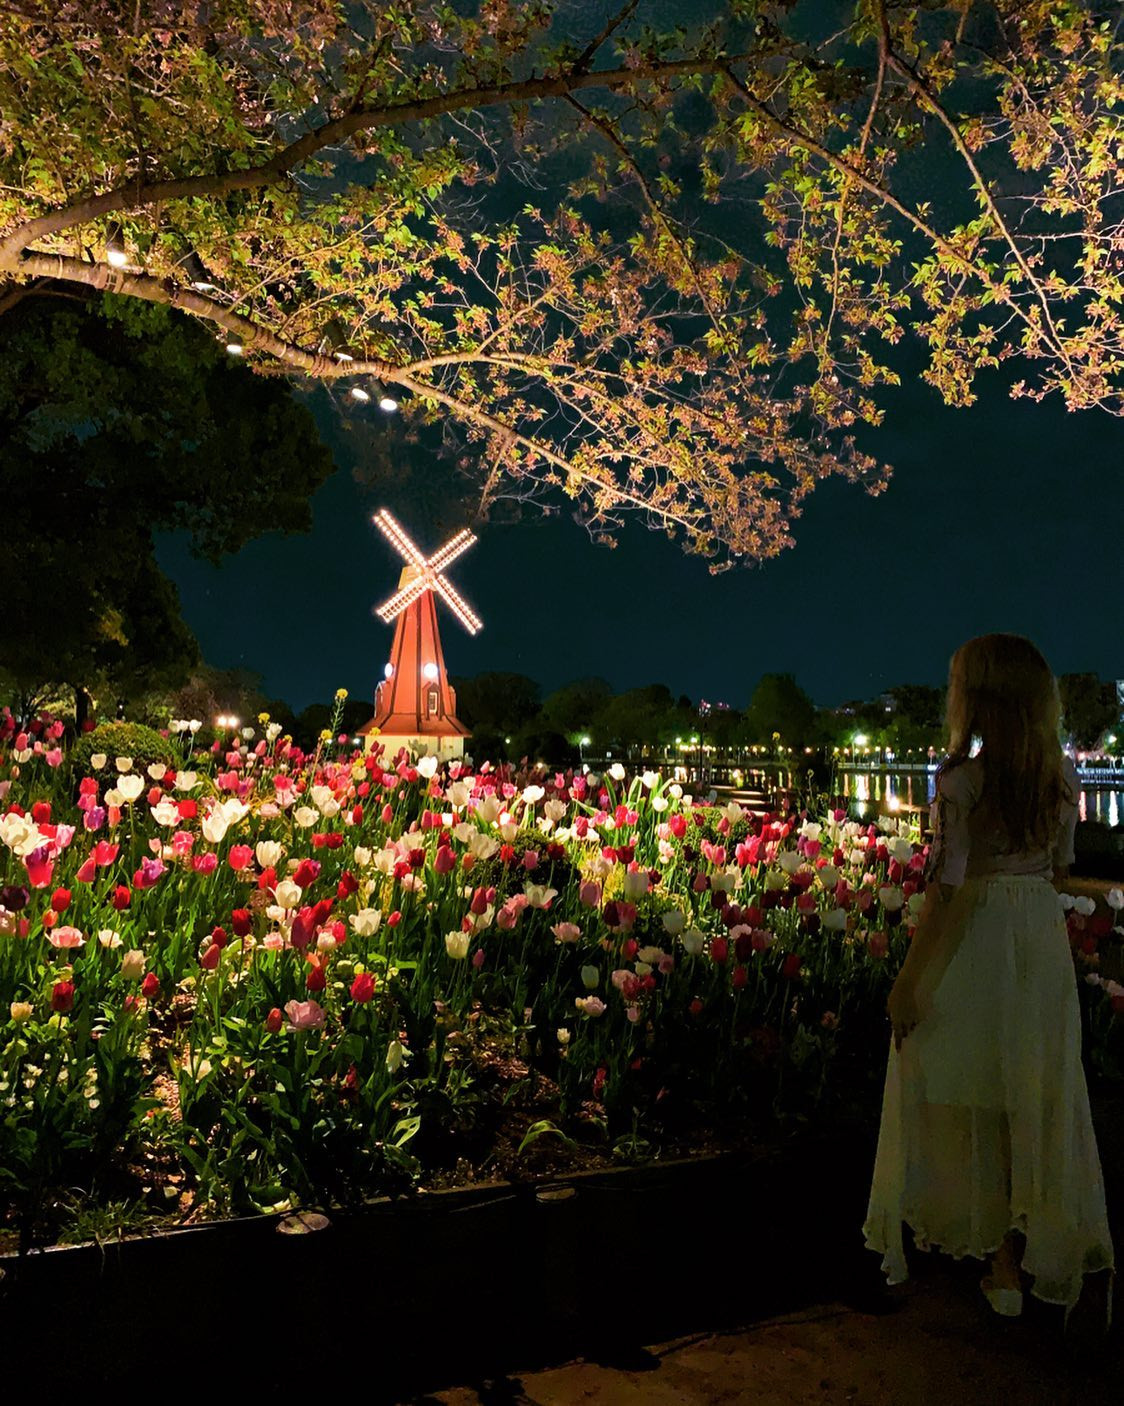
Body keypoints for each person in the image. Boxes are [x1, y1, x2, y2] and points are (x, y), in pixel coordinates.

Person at [863, 634, 1114, 1331]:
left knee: (966, 1090)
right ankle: (1030, 1242)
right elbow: (1060, 868)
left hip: (977, 939)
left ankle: (995, 1255)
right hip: (1036, 940)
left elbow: (950, 892)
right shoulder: (1063, 777)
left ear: (976, 700)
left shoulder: (961, 783)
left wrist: (910, 981)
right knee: (1029, 1090)